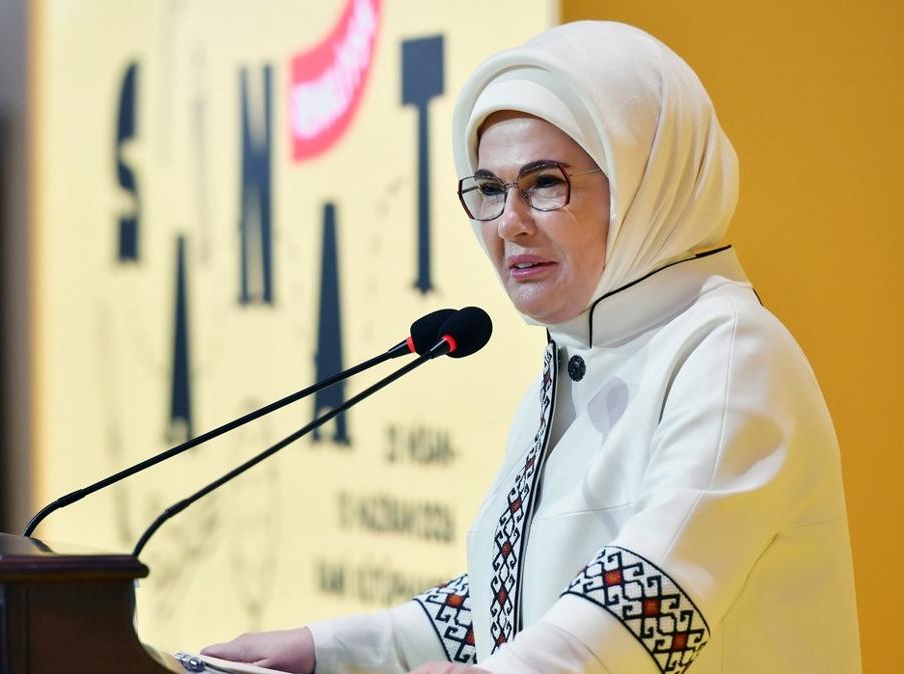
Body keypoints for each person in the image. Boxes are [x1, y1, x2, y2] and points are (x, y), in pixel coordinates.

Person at [203, 20, 861, 673]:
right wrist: (323, 651)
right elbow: (513, 606)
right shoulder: (578, 358)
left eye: (544, 182)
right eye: (489, 189)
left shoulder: (732, 356)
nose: (510, 224)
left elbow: (645, 607)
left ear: (641, 184)